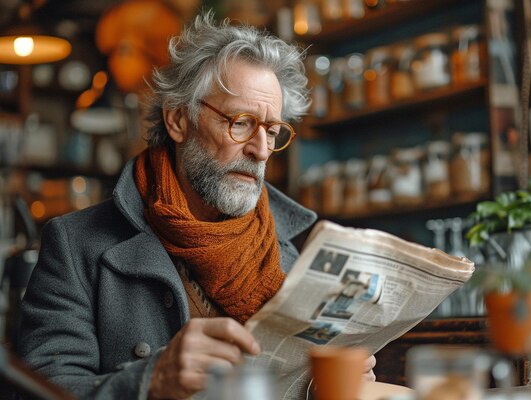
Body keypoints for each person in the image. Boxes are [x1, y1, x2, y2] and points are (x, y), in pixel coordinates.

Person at [17, 10, 376, 400]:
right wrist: (150, 380)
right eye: (241, 122)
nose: (259, 150)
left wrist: (329, 386)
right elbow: (37, 392)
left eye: (272, 131)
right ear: (177, 120)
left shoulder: (297, 252)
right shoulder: (75, 245)